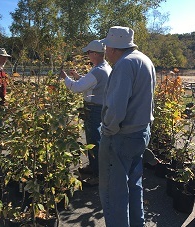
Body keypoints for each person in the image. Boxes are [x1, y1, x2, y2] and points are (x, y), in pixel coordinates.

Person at [99, 26, 156, 226]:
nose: (105, 50)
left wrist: (107, 131)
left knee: (113, 193)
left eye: (107, 46)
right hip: (141, 133)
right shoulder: (145, 60)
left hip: (121, 136)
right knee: (134, 185)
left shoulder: (124, 65)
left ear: (114, 47)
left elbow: (116, 109)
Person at [59, 40, 112, 186]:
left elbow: (77, 88)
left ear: (95, 54)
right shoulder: (104, 68)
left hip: (94, 109)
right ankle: (94, 167)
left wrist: (65, 78)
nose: (87, 55)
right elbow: (90, 85)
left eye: (89, 53)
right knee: (95, 140)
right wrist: (77, 76)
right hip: (100, 107)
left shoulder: (98, 71)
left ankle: (98, 175)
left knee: (94, 141)